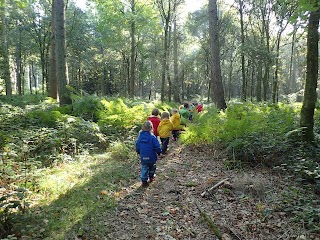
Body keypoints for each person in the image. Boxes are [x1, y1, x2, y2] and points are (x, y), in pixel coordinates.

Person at [136, 121, 162, 187]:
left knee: (144, 167)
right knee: (152, 166)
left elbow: (137, 146)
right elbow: (157, 146)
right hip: (152, 156)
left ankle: (144, 181)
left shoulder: (140, 137)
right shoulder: (152, 137)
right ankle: (151, 177)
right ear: (151, 128)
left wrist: (138, 151)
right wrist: (159, 152)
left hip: (143, 156)